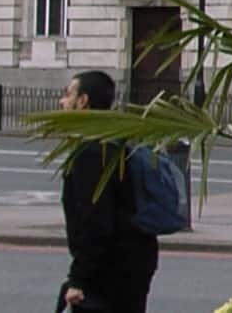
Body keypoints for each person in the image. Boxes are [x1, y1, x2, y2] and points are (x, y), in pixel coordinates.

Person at [59, 70, 160, 313]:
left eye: (67, 94)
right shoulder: (115, 141)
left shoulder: (92, 152)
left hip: (110, 272)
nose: (62, 101)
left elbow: (96, 223)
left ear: (83, 101)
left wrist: (79, 279)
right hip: (133, 262)